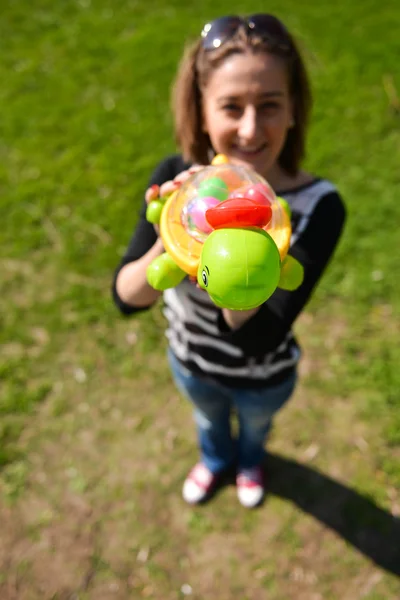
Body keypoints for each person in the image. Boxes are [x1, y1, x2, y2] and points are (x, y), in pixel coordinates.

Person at [112, 14, 346, 508]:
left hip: (265, 377)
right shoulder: (175, 179)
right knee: (207, 419)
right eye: (231, 107)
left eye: (269, 105)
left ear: (294, 111)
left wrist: (250, 252)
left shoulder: (318, 207)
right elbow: (126, 299)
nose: (250, 129)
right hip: (190, 361)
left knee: (256, 424)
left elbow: (260, 336)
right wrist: (169, 238)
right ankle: (216, 459)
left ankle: (251, 461)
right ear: (201, 111)